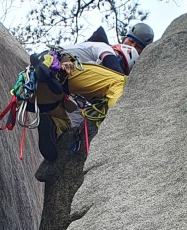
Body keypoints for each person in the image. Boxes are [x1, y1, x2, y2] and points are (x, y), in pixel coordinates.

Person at [34, 19, 154, 161]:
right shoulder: (105, 47)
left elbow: (81, 113)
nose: (132, 46)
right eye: (131, 41)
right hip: (61, 70)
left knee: (66, 125)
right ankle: (122, 118)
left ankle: (55, 129)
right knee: (119, 82)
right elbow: (112, 67)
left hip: (39, 88)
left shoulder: (89, 68)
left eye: (138, 46)